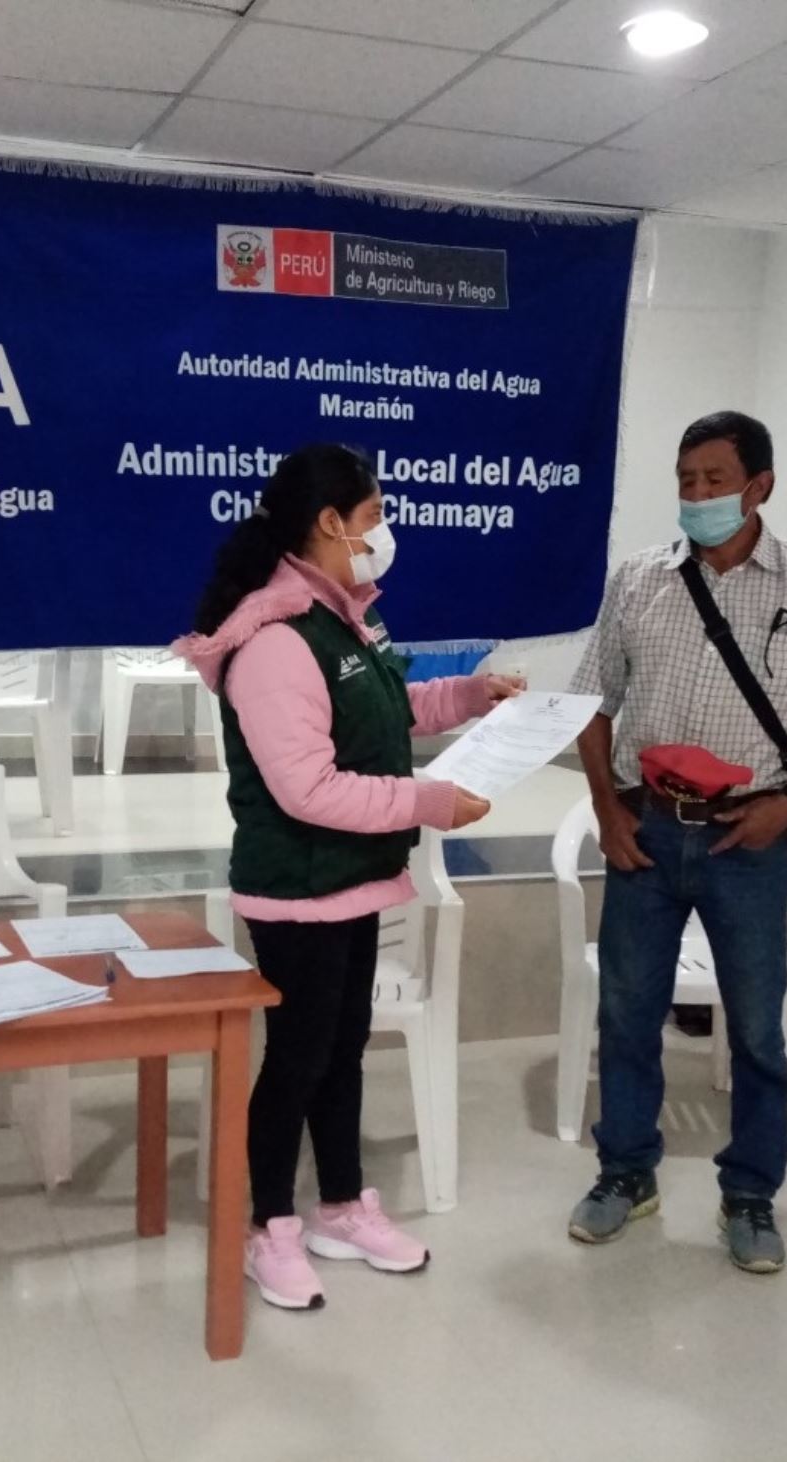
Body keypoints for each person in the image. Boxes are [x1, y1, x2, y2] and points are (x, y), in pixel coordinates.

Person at [173, 443, 520, 1312]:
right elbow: (309, 788)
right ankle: (268, 1227)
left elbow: (387, 710)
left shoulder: (342, 618)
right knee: (296, 1058)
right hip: (298, 888)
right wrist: (430, 802)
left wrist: (470, 697)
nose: (383, 532)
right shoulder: (275, 639)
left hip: (355, 877)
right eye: (374, 517)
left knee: (341, 1048)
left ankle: (339, 1207)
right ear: (331, 522)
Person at [566, 410, 787, 1274]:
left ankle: (750, 1194)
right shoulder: (639, 579)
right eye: (686, 480)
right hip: (645, 830)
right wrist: (606, 808)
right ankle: (626, 1172)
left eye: (714, 479)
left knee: (755, 1030)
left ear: (759, 486)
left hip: (749, 838)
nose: (697, 494)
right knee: (627, 1014)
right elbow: (591, 702)